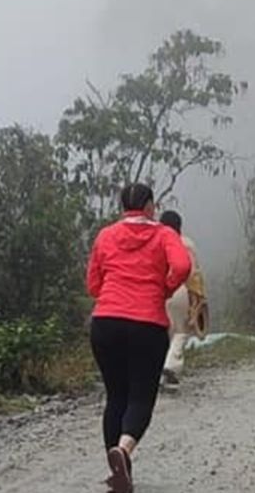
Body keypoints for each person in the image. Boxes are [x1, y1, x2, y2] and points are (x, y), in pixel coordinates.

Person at [86, 184, 192, 493]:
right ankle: (124, 451)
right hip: (146, 323)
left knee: (115, 395)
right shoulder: (163, 234)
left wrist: (109, 292)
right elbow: (183, 265)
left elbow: (92, 283)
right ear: (149, 206)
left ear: (122, 206)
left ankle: (118, 468)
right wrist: (165, 287)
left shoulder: (106, 235)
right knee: (141, 396)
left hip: (105, 322)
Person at [158, 211, 209, 386]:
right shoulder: (187, 244)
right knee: (182, 330)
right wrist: (199, 297)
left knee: (164, 331)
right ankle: (171, 365)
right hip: (181, 291)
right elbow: (195, 273)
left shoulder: (156, 243)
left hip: (160, 291)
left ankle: (158, 368)